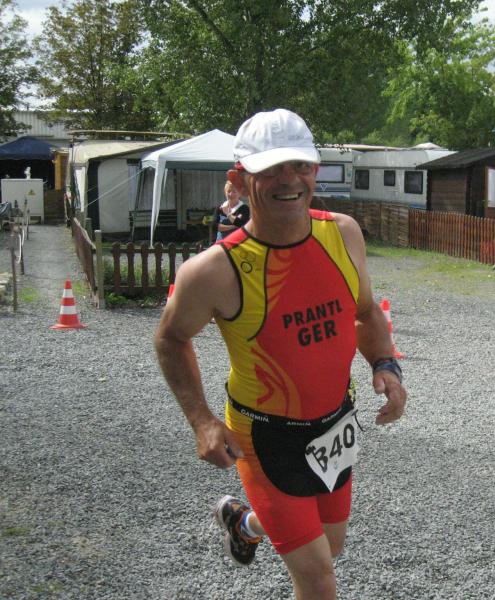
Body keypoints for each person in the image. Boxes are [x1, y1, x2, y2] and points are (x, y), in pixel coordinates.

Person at [154, 108, 407, 599]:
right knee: (317, 576)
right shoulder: (214, 270)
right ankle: (256, 519)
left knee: (329, 547)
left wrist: (386, 365)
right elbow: (170, 338)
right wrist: (202, 421)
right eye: (270, 169)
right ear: (239, 179)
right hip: (264, 437)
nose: (288, 179)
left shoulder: (343, 233)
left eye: (300, 165)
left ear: (315, 170)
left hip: (335, 425)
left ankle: (244, 523)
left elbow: (365, 312)